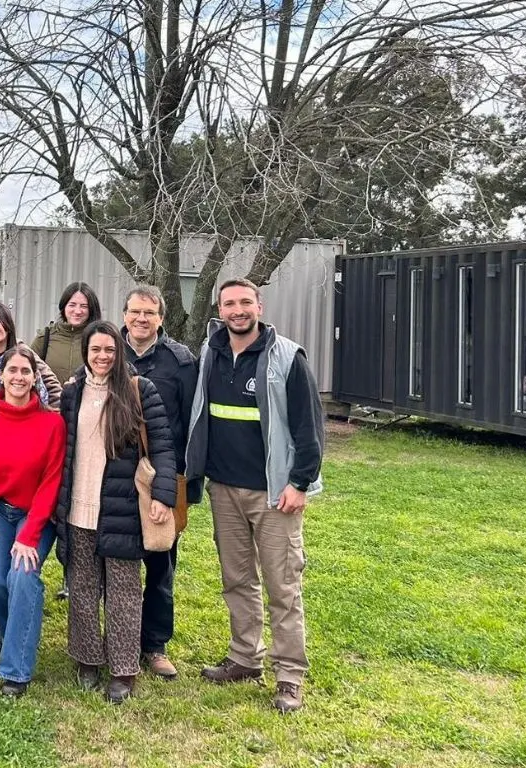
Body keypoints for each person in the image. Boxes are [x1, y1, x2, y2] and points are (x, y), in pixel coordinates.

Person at [187, 278, 325, 714]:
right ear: (220, 309)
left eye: (245, 302)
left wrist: (299, 483)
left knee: (283, 586)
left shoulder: (287, 356)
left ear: (259, 305)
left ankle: (289, 677)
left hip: (274, 494)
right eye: (229, 303)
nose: (237, 310)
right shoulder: (211, 351)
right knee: (237, 580)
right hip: (224, 490)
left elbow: (309, 427)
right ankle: (245, 657)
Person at [56, 321, 178, 704]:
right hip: (78, 505)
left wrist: (162, 496)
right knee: (82, 587)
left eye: (109, 349)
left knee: (124, 592)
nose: (103, 356)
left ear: (119, 350)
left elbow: (162, 446)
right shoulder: (72, 394)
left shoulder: (139, 391)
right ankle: (87, 658)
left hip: (122, 506)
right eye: (95, 350)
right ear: (86, 353)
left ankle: (124, 669)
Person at [0, 346, 67, 698]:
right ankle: (16, 633)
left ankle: (16, 670)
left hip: (37, 514)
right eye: (13, 371)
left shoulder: (52, 422)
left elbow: (51, 482)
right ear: (1, 375)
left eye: (26, 371)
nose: (19, 377)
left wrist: (30, 534)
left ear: (35, 377)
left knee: (22, 576)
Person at [120, 285, 200, 680]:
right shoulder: (106, 352)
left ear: (161, 318)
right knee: (118, 563)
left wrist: (179, 486)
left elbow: (190, 427)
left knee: (160, 563)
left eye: (149, 313)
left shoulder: (181, 362)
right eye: (135, 312)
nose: (141, 319)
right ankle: (119, 639)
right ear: (124, 315)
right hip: (116, 479)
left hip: (163, 477)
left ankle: (154, 645)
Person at [30, 282, 102, 404]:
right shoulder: (45, 337)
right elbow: (28, 371)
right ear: (64, 307)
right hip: (50, 410)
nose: (77, 311)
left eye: (84, 306)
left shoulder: (99, 337)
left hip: (88, 410)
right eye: (72, 305)